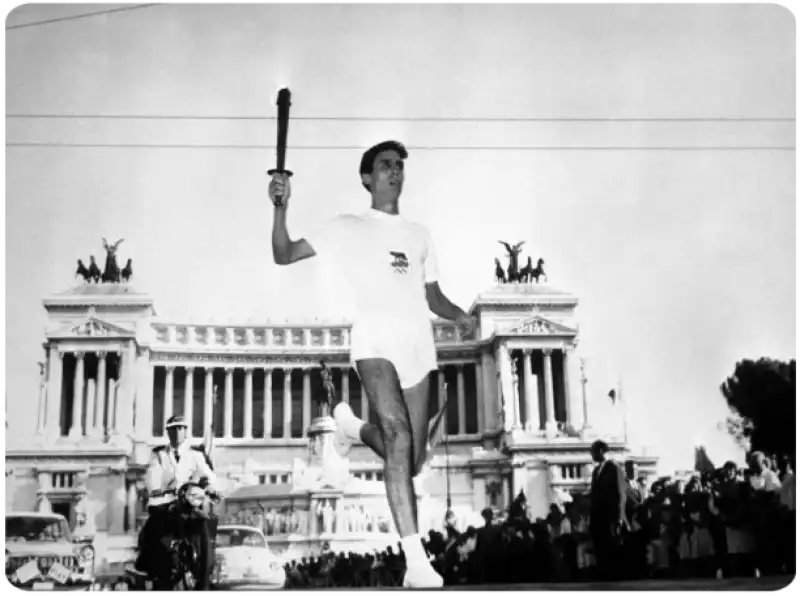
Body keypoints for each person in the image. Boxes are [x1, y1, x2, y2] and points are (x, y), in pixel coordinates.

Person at [269, 140, 476, 588]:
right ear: (366, 177)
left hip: (418, 344)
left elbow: (433, 295)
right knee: (398, 439)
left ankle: (349, 426)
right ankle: (416, 560)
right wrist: (280, 206)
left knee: (414, 458)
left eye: (399, 165)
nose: (395, 171)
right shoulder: (346, 226)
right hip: (374, 338)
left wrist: (459, 315)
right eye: (385, 165)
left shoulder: (420, 234)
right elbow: (283, 253)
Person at [132, 415, 219, 588]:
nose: (178, 432)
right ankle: (147, 565)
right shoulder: (159, 455)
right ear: (168, 432)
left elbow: (208, 474)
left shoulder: (195, 455)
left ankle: (205, 568)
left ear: (186, 431)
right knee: (153, 527)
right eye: (174, 429)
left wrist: (212, 487)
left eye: (181, 428)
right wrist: (156, 487)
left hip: (189, 500)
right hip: (166, 501)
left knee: (206, 521)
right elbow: (153, 475)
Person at [588, 439, 629, 581]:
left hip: (610, 514)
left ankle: (614, 574)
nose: (591, 455)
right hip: (597, 515)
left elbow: (620, 492)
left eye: (592, 451)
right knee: (599, 544)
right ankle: (602, 573)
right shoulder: (595, 471)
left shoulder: (614, 468)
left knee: (611, 544)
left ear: (600, 451)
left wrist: (619, 515)